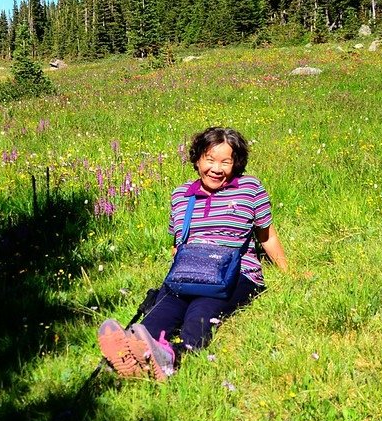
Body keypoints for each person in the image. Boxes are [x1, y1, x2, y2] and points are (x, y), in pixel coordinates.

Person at [97, 126, 288, 381]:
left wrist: (288, 271)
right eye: (209, 159)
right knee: (157, 317)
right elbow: (178, 244)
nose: (216, 169)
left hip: (236, 273)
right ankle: (129, 355)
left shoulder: (249, 188)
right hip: (188, 272)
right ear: (197, 159)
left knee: (200, 312)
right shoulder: (180, 195)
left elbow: (268, 236)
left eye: (225, 162)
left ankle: (172, 356)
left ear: (236, 164)